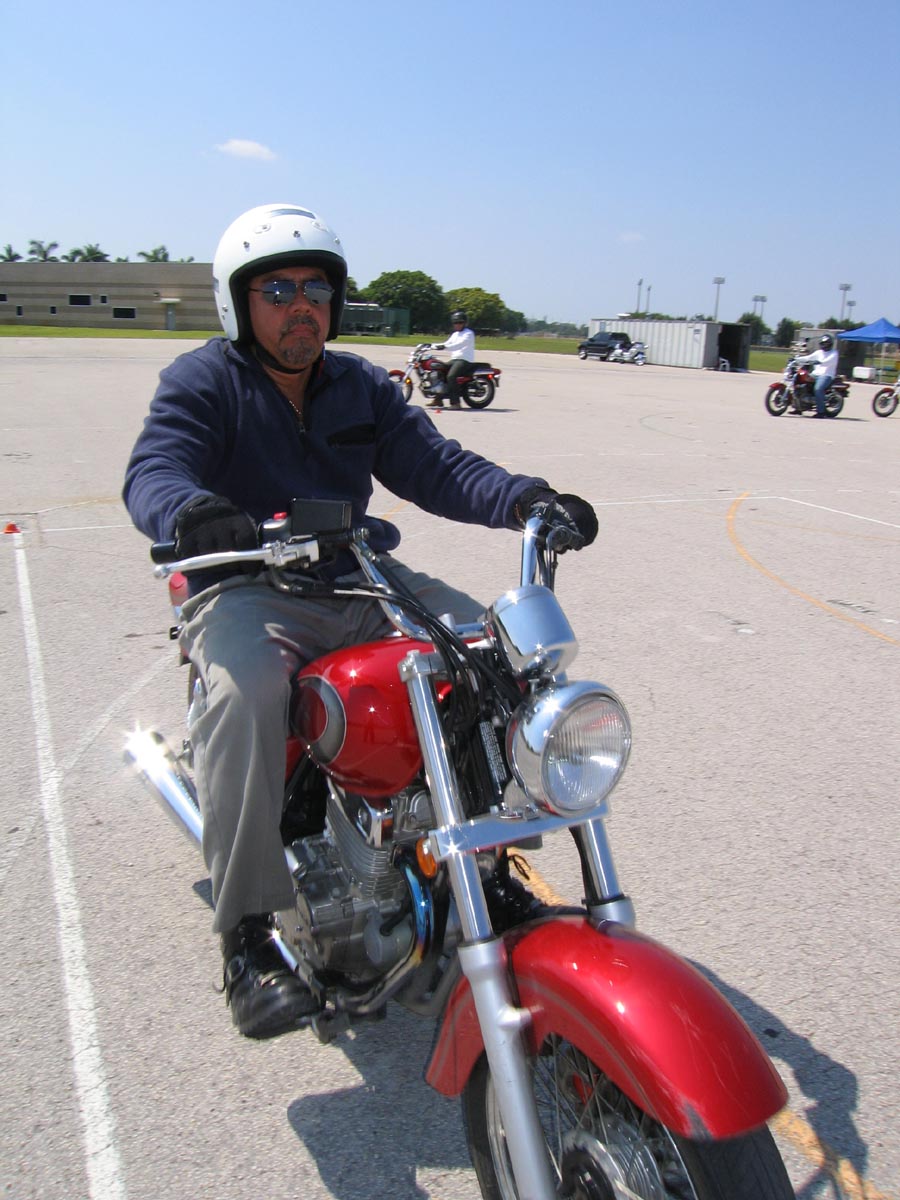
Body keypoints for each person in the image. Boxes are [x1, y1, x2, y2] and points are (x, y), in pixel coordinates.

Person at [122, 202, 598, 1040]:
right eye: (278, 290)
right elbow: (154, 468)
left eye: (315, 289)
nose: (300, 306)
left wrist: (526, 499)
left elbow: (436, 465)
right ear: (240, 302)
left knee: (491, 659)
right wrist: (190, 511)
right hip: (245, 583)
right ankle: (247, 938)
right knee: (244, 693)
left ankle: (485, 865)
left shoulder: (361, 386)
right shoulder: (204, 382)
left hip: (356, 576)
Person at [426, 309, 475, 409]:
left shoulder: (468, 334)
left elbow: (458, 345)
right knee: (438, 371)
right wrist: (431, 345)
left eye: (460, 322)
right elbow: (446, 343)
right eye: (455, 323)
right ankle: (438, 399)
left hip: (464, 360)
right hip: (454, 360)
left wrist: (444, 347)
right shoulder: (455, 334)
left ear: (465, 323)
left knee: (451, 376)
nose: (457, 325)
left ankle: (456, 403)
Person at [795, 334, 840, 417]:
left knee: (818, 389)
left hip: (826, 375)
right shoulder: (818, 352)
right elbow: (808, 357)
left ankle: (821, 412)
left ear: (830, 344)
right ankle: (798, 408)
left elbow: (828, 361)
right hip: (815, 374)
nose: (824, 345)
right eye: (823, 343)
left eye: (826, 343)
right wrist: (796, 359)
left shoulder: (834, 353)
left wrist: (820, 362)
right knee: (799, 383)